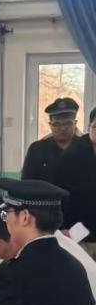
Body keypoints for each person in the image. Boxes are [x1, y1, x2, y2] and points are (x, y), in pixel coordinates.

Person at [58, 106, 96, 259]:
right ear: (89, 127)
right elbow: (62, 194)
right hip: (77, 230)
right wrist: (62, 227)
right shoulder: (73, 153)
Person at [21, 97, 82, 183]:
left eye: (68, 123)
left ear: (75, 123)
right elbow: (27, 183)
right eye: (57, 124)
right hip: (44, 192)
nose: (62, 128)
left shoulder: (86, 147)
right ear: (50, 125)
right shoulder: (37, 149)